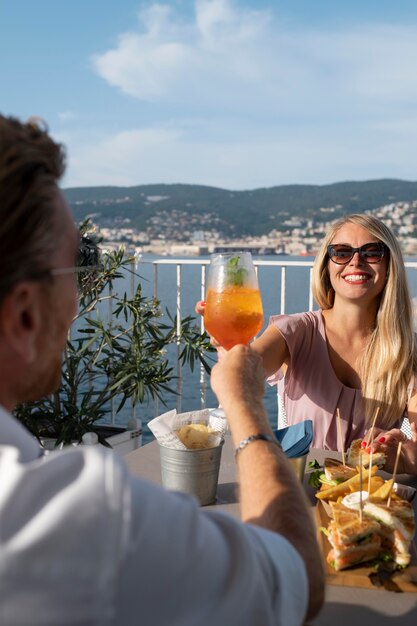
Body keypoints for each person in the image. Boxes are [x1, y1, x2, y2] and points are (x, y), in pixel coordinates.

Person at [0, 115, 324, 626]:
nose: (85, 291)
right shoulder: (75, 518)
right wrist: (243, 405)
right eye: (81, 261)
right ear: (24, 311)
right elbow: (294, 580)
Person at [197, 214, 417, 474]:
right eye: (342, 252)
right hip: (301, 492)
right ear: (326, 266)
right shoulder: (296, 331)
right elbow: (250, 368)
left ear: (390, 266)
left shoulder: (407, 351)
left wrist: (400, 456)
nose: (355, 261)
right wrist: (231, 350)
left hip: (368, 503)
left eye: (371, 253)